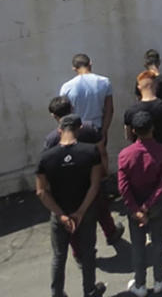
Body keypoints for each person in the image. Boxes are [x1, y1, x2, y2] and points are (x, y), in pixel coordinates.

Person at [37, 113, 106, 297]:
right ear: (79, 128)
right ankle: (89, 291)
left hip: (59, 212)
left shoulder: (46, 157)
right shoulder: (91, 152)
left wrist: (61, 214)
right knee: (88, 252)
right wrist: (81, 211)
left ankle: (57, 293)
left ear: (60, 130)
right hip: (85, 210)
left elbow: (41, 191)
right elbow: (95, 184)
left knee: (59, 256)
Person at [42, 98, 122, 249]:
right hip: (91, 178)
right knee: (100, 207)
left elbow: (48, 165)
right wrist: (104, 173)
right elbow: (102, 152)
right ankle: (111, 233)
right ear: (72, 108)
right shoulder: (89, 128)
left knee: (72, 219)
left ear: (53, 116)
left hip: (66, 186)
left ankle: (78, 253)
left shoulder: (52, 139)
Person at [117, 111, 162, 297]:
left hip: (135, 208)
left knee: (138, 245)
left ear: (134, 131)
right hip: (157, 206)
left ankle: (140, 284)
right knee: (158, 241)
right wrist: (147, 206)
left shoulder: (125, 155)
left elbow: (123, 186)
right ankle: (159, 279)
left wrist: (136, 208)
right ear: (153, 128)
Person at [59, 53, 113, 135]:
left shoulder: (67, 87)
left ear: (74, 68)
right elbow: (109, 109)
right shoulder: (104, 82)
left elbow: (63, 113)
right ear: (90, 63)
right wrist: (104, 131)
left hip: (76, 130)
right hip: (97, 127)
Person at [124, 71, 162, 150]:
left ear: (139, 87)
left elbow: (128, 136)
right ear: (156, 85)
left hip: (140, 154)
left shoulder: (130, 111)